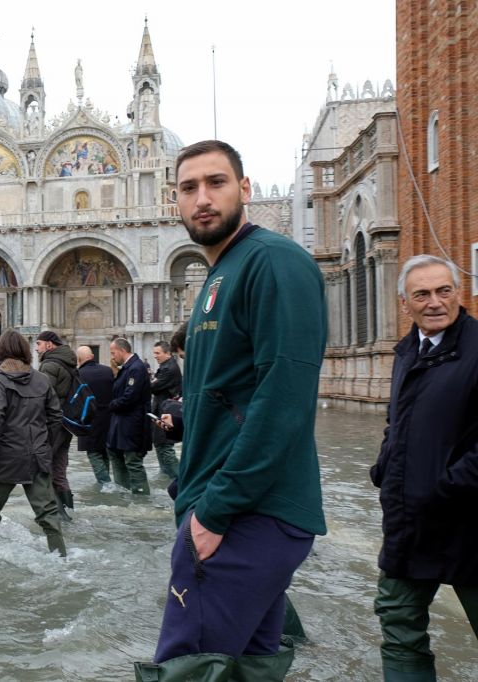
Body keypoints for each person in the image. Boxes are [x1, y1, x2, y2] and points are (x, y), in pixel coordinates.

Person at [140, 140, 327, 680]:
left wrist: (214, 512)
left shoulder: (272, 261)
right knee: (249, 667)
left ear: (244, 189)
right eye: (188, 188)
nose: (202, 198)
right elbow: (227, 394)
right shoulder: (221, 273)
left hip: (244, 513)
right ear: (173, 200)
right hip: (228, 505)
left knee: (189, 668)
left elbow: (284, 398)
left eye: (216, 183)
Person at [370, 254, 478, 681]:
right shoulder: (407, 351)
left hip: (469, 525)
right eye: (422, 294)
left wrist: (445, 486)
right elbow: (398, 421)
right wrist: (385, 465)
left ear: (458, 293)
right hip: (408, 523)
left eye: (444, 290)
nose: (435, 302)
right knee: (399, 628)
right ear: (405, 304)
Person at [0, 329, 66, 557]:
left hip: (5, 457)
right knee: (48, 514)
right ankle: (61, 557)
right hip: (37, 455)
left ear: (0, 352)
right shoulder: (42, 379)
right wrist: (46, 447)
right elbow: (56, 417)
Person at [36, 330, 77, 519]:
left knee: (44, 469)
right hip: (66, 423)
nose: (36, 349)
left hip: (52, 424)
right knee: (60, 469)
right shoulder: (68, 361)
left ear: (49, 345)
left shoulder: (50, 364)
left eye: (38, 344)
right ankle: (68, 512)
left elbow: (43, 396)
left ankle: (56, 515)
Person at [105, 338, 153, 494]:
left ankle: (142, 499)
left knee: (133, 460)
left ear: (122, 350)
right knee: (115, 454)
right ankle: (123, 492)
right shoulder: (127, 368)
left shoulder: (136, 368)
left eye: (113, 353)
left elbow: (130, 397)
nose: (112, 357)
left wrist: (111, 405)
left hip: (133, 423)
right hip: (122, 422)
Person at [75, 345, 114, 486]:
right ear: (92, 357)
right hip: (108, 419)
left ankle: (105, 483)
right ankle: (106, 481)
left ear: (79, 359)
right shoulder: (108, 371)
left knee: (93, 453)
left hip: (89, 420)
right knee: (104, 452)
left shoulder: (78, 374)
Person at [149, 341, 182, 480]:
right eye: (154, 353)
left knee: (165, 446)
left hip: (167, 412)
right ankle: (166, 476)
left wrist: (151, 382)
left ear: (167, 353)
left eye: (158, 353)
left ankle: (180, 478)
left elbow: (153, 387)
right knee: (159, 444)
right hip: (160, 410)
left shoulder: (169, 368)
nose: (155, 356)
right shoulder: (164, 366)